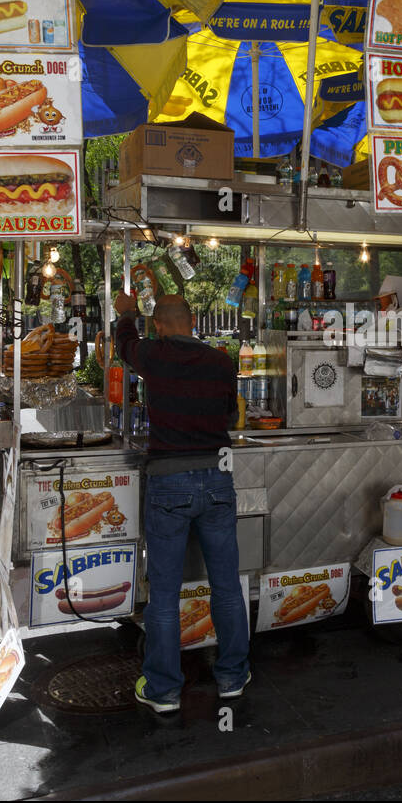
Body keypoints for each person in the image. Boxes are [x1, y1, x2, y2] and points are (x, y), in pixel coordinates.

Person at [115, 291, 250, 713]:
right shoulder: (222, 361)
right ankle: (232, 677)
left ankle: (164, 691)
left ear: (159, 326)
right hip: (217, 480)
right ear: (192, 323)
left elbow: (124, 346)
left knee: (165, 595)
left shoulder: (154, 354)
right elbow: (230, 416)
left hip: (168, 482)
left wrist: (126, 313)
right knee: (227, 587)